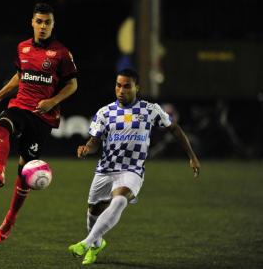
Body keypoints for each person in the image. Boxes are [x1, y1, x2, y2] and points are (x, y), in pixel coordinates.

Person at [68, 68, 200, 265]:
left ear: (137, 87)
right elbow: (95, 142)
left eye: (126, 86)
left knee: (120, 200)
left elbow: (174, 129)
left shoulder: (150, 110)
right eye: (118, 85)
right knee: (93, 212)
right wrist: (86, 148)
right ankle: (96, 244)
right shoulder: (105, 113)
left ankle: (86, 243)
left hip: (132, 170)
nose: (121, 90)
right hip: (105, 170)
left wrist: (192, 156)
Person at [0, 2, 78, 243]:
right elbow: (20, 77)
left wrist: (52, 101)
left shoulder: (61, 53)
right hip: (20, 106)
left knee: (25, 171)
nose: (43, 26)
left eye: (47, 22)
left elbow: (73, 84)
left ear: (53, 25)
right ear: (32, 22)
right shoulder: (22, 48)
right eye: (39, 21)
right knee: (4, 122)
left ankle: (10, 219)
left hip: (42, 117)